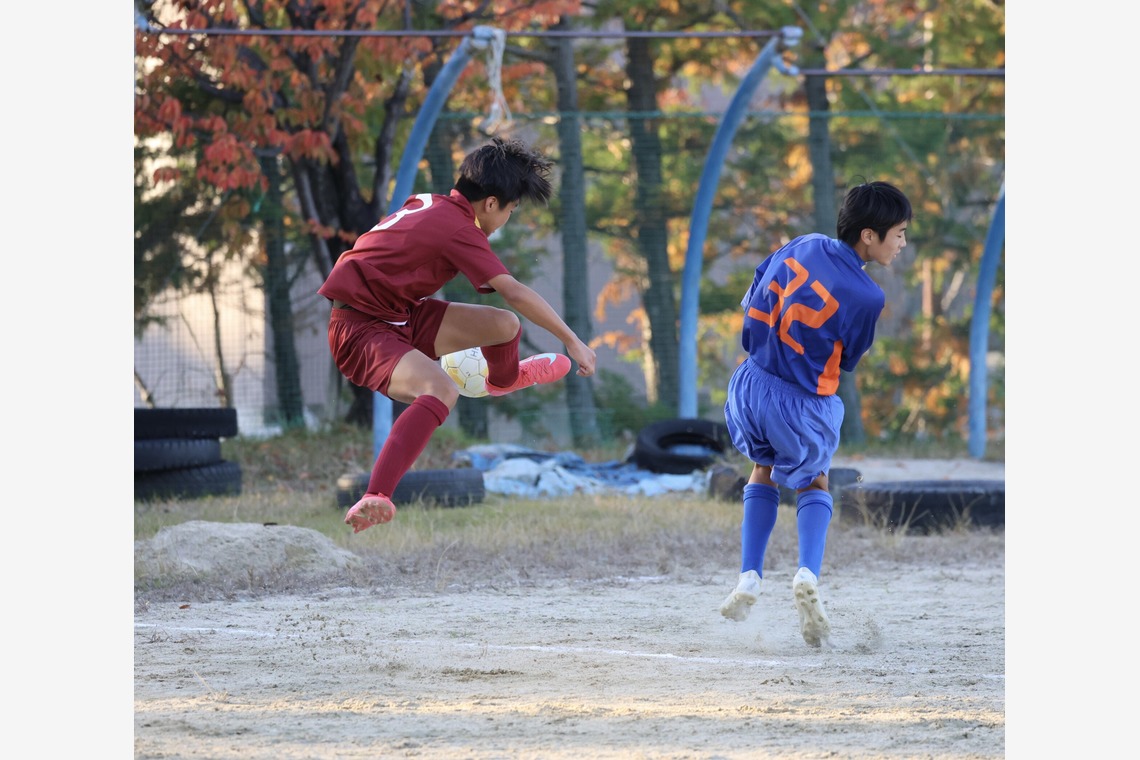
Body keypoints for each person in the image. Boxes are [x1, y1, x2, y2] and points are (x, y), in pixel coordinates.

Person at [318, 137, 597, 534]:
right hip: (359, 330)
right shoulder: (459, 229)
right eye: (512, 210)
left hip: (400, 313)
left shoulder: (431, 203)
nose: (507, 219)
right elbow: (514, 290)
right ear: (490, 204)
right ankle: (376, 494)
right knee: (442, 389)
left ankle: (502, 378)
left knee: (504, 326)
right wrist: (573, 340)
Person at [718, 180, 912, 647]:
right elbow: (847, 361)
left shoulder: (802, 244)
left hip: (751, 384)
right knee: (815, 479)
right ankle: (807, 573)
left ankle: (749, 576)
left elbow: (752, 301)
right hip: (804, 401)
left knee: (761, 469)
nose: (903, 244)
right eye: (899, 233)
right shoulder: (868, 296)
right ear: (869, 235)